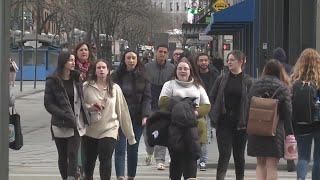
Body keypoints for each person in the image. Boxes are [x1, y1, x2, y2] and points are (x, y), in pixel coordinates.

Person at [82, 59, 136, 180]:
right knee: (89, 162)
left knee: (105, 159)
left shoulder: (115, 88)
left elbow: (123, 112)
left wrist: (130, 136)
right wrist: (91, 107)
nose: (101, 70)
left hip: (109, 129)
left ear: (108, 71)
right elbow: (79, 106)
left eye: (104, 67)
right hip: (90, 130)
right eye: (98, 68)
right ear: (95, 71)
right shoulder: (86, 86)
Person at [159, 57, 211, 180]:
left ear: (190, 71)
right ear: (176, 70)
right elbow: (162, 101)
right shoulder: (169, 84)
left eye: (185, 69)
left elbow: (207, 105)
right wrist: (183, 108)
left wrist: (194, 113)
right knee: (176, 160)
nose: (183, 71)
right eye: (180, 68)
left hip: (194, 128)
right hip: (175, 129)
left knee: (192, 160)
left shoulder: (197, 86)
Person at [44, 51, 89, 180]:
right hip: (60, 123)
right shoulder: (53, 80)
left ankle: (71, 177)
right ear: (63, 62)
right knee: (62, 155)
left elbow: (81, 99)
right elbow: (48, 104)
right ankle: (65, 177)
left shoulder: (77, 78)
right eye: (70, 60)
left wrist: (88, 109)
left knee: (73, 153)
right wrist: (63, 114)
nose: (73, 62)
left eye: (74, 60)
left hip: (76, 123)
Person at [209, 50, 253, 180]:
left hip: (241, 124)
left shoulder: (248, 81)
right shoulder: (221, 79)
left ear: (241, 61)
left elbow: (252, 101)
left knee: (239, 156)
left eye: (232, 60)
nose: (229, 62)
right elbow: (212, 97)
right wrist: (213, 114)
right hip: (224, 122)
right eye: (228, 60)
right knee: (224, 154)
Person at [247, 59, 294, 180]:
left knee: (260, 163)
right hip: (275, 130)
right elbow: (287, 113)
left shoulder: (255, 85)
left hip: (256, 128)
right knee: (272, 165)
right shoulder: (282, 87)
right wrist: (289, 133)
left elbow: (247, 106)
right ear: (280, 71)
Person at [112, 50, 151, 180]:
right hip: (120, 117)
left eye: (134, 58)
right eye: (128, 58)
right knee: (120, 148)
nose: (131, 60)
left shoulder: (144, 77)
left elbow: (147, 98)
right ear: (124, 60)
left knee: (133, 148)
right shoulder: (116, 76)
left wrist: (146, 115)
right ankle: (120, 176)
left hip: (137, 118)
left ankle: (131, 176)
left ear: (137, 60)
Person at [144, 44, 175, 169]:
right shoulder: (147, 67)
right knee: (148, 133)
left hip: (164, 104)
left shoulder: (172, 68)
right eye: (160, 51)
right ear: (156, 52)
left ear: (167, 54)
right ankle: (149, 151)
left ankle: (160, 160)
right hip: (150, 102)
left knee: (161, 131)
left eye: (165, 52)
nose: (162, 54)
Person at [291, 48, 320, 180]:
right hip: (318, 123)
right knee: (318, 158)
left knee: (303, 156)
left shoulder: (295, 81)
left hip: (301, 123)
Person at [272, 47, 296, 172]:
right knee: (288, 132)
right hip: (287, 103)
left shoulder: (271, 67)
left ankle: (274, 158)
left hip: (273, 104)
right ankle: (290, 161)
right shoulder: (290, 68)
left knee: (273, 130)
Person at [195, 53, 219, 171]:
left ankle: (203, 160)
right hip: (196, 106)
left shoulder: (215, 74)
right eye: (201, 60)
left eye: (205, 60)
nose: (203, 62)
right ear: (198, 62)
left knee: (206, 133)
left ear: (208, 61)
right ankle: (197, 158)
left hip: (210, 106)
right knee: (196, 133)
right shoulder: (194, 75)